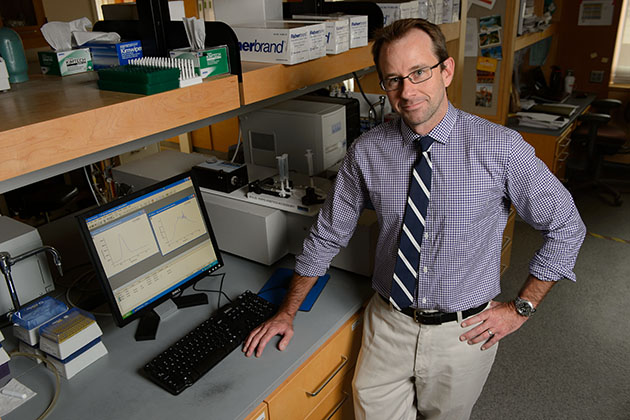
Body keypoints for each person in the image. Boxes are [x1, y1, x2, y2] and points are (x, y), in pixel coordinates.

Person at [243, 18, 586, 420]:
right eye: (393, 79)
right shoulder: (366, 152)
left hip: (463, 334)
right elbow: (327, 235)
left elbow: (566, 227)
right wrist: (287, 311)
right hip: (387, 323)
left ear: (446, 70)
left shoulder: (500, 148)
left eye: (419, 72)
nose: (407, 92)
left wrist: (520, 309)